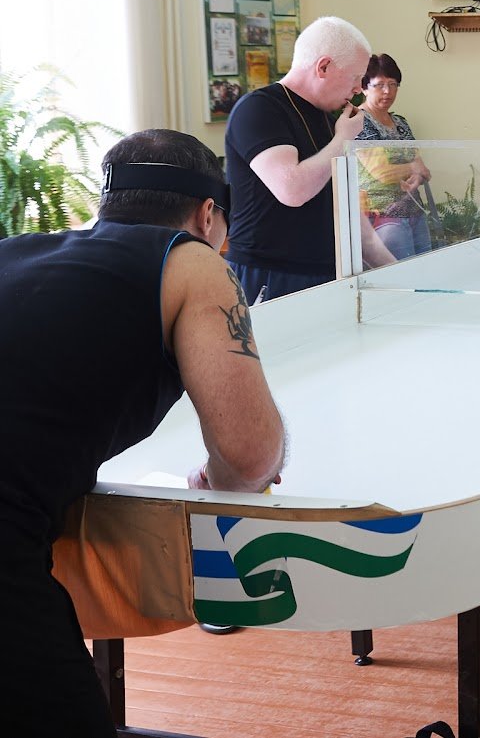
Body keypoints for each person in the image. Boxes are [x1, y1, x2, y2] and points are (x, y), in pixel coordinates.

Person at [0, 128, 287, 736]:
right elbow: (250, 455)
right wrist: (220, 477)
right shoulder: (193, 260)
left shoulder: (13, 251)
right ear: (208, 215)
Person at [224, 15, 395, 301]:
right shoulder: (259, 109)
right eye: (355, 77)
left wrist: (396, 272)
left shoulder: (329, 120)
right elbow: (291, 190)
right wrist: (342, 141)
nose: (358, 89)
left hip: (327, 275)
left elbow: (347, 211)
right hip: (270, 275)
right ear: (323, 66)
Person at [355, 53, 433, 261]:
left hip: (414, 211)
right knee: (400, 275)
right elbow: (382, 172)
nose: (387, 91)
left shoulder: (400, 123)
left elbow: (423, 170)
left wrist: (418, 176)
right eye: (379, 85)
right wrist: (413, 168)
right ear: (364, 87)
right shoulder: (359, 121)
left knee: (426, 271)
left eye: (393, 84)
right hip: (383, 217)